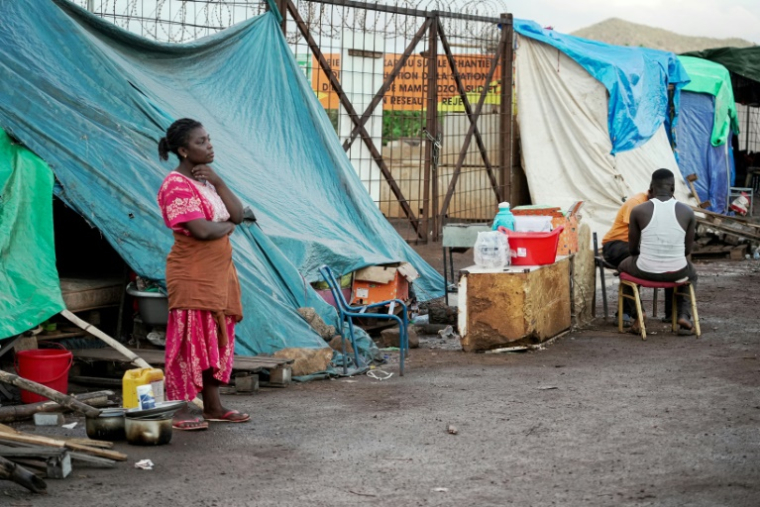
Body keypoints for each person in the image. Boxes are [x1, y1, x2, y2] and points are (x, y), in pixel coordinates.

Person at [156, 118, 250, 430]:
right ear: (183, 150)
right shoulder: (175, 185)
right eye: (200, 142)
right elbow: (202, 230)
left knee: (214, 338)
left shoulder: (207, 182)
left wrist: (219, 181)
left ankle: (213, 406)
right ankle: (182, 408)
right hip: (192, 273)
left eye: (208, 139)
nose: (209, 145)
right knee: (190, 340)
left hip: (219, 274)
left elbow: (238, 213)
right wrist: (226, 228)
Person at [618, 169, 698, 335]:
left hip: (644, 270)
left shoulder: (639, 210)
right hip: (677, 272)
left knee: (622, 267)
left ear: (651, 188)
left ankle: (638, 315)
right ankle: (683, 315)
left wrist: (649, 254)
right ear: (673, 189)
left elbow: (632, 249)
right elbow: (687, 250)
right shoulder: (688, 212)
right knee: (692, 273)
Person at [602, 190, 650, 324]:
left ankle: (673, 314)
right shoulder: (636, 203)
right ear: (651, 191)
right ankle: (631, 312)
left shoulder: (661, 204)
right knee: (634, 261)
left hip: (635, 246)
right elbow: (634, 233)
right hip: (615, 245)